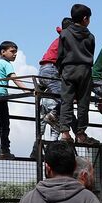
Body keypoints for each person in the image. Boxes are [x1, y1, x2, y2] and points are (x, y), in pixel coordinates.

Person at [54, 4, 96, 145]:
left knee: (67, 101)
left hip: (68, 69)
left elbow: (60, 55)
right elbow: (91, 53)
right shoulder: (90, 36)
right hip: (85, 70)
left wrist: (62, 71)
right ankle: (80, 133)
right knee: (83, 103)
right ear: (85, 19)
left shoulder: (64, 33)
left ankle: (65, 132)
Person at [0, 40, 27, 160]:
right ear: (3, 52)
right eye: (12, 51)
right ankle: (4, 150)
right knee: (4, 125)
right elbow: (15, 78)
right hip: (1, 98)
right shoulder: (7, 64)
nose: (15, 54)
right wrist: (27, 90)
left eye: (16, 52)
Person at [34, 18, 69, 152]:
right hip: (51, 70)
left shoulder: (60, 39)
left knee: (42, 123)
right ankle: (54, 115)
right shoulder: (65, 40)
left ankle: (35, 149)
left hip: (44, 70)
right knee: (66, 99)